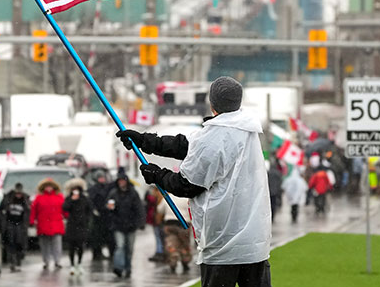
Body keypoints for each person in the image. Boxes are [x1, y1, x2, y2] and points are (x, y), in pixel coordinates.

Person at [116, 76, 272, 287]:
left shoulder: (216, 136)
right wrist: (145, 141)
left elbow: (186, 184)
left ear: (212, 103)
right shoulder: (245, 128)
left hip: (223, 243)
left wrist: (157, 175)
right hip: (255, 244)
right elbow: (188, 146)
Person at [106, 172, 145, 278]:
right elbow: (109, 208)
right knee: (120, 246)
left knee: (129, 248)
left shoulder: (133, 193)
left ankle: (128, 268)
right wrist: (110, 211)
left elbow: (139, 208)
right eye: (119, 181)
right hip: (118, 225)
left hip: (131, 225)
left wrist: (141, 222)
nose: (121, 183)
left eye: (123, 181)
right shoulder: (113, 193)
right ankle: (118, 267)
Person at [30, 178, 65, 270]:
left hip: (56, 224)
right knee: (44, 245)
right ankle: (46, 261)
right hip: (43, 224)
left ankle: (57, 261)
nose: (48, 188)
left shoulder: (60, 197)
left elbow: (65, 210)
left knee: (57, 244)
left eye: (50, 186)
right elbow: (33, 211)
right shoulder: (38, 198)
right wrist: (32, 221)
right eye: (47, 186)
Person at [62, 178, 92, 276]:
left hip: (82, 226)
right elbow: (64, 207)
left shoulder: (84, 198)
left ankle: (79, 264)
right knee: (71, 247)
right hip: (72, 225)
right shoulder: (69, 198)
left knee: (80, 246)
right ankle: (72, 265)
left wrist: (86, 220)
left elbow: (89, 210)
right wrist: (71, 200)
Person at [157, 193, 193, 274]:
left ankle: (173, 262)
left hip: (170, 224)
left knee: (172, 244)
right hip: (184, 223)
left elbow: (159, 209)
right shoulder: (186, 198)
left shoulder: (167, 197)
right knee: (184, 244)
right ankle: (185, 261)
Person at [0, 182, 29, 272]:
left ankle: (18, 262)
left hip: (20, 224)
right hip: (10, 224)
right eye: (17, 193)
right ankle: (12, 263)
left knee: (19, 243)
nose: (18, 195)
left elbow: (27, 212)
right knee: (10, 243)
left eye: (20, 193)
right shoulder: (8, 199)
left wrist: (26, 224)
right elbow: (1, 209)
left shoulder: (25, 200)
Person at [87, 171, 113, 261]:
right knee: (96, 237)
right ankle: (97, 254)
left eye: (103, 177)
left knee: (109, 236)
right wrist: (94, 210)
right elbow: (90, 201)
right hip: (97, 217)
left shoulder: (108, 188)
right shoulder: (93, 189)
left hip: (107, 216)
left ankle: (111, 253)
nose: (102, 179)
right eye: (100, 178)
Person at [145, 186, 165, 262]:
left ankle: (160, 252)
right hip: (160, 219)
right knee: (161, 237)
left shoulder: (157, 194)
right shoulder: (164, 193)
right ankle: (162, 252)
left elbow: (152, 203)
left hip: (158, 219)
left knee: (159, 237)